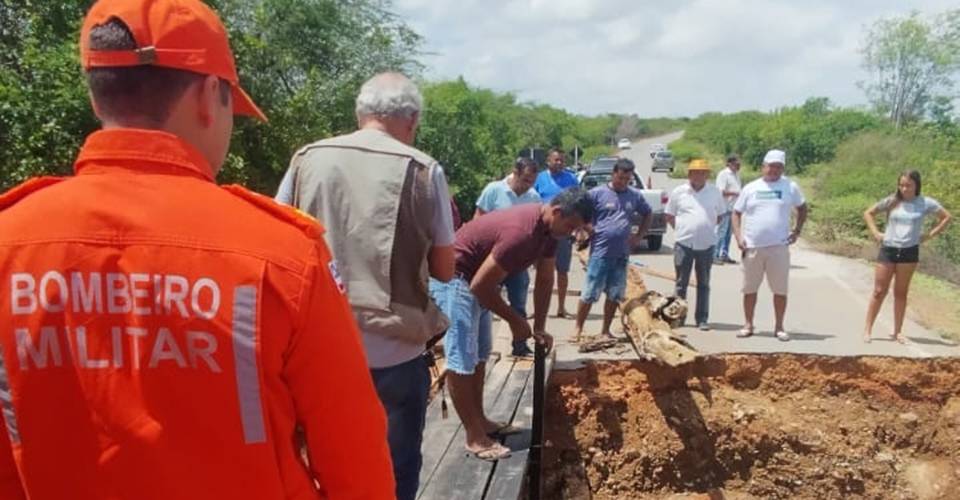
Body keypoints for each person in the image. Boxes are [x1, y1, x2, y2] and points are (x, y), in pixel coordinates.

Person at [0, 1, 394, 499]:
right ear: (210, 96)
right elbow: (356, 462)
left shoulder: (10, 241)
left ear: (99, 100)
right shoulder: (282, 254)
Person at [276, 72, 455, 500]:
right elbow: (445, 269)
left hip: (316, 349)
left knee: (317, 470)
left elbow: (277, 236)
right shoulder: (422, 169)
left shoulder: (307, 159)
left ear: (360, 115)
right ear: (411, 120)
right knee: (394, 471)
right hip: (394, 350)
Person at [430, 190, 593, 461]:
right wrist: (516, 322)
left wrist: (539, 327)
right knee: (460, 357)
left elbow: (544, 278)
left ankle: (481, 420)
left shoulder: (550, 233)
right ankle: (474, 436)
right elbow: (479, 285)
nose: (572, 233)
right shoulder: (522, 233)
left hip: (478, 282)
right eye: (570, 226)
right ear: (557, 213)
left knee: (480, 354)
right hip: (455, 278)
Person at [863, 170, 952, 343]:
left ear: (916, 185)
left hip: (909, 251)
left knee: (901, 292)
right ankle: (867, 329)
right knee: (879, 291)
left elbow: (946, 217)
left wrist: (929, 235)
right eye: (902, 185)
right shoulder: (892, 201)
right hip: (889, 249)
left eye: (908, 185)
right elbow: (869, 213)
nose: (904, 188)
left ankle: (898, 332)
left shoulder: (925, 203)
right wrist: (876, 233)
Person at [732, 149, 808, 341]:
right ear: (763, 166)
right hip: (753, 246)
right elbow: (736, 212)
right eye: (770, 166)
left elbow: (802, 208)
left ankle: (779, 327)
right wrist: (738, 236)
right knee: (749, 288)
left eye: (778, 167)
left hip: (778, 247)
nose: (773, 170)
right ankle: (748, 324)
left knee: (780, 290)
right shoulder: (751, 188)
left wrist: (797, 230)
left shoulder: (790, 186)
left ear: (782, 168)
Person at [574, 158, 651, 342]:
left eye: (627, 179)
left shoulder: (634, 195)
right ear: (613, 174)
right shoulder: (596, 194)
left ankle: (605, 330)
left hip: (621, 255)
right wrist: (587, 228)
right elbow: (579, 212)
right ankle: (578, 328)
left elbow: (648, 213)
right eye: (620, 178)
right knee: (590, 293)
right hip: (600, 254)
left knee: (614, 294)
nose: (623, 182)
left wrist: (639, 236)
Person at [475, 157, 542, 323]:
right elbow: (478, 220)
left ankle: (520, 344)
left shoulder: (534, 197)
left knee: (519, 303)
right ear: (515, 173)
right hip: (492, 258)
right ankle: (480, 345)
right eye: (526, 180)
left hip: (517, 261)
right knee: (483, 301)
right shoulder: (493, 190)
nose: (528, 185)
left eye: (532, 182)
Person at [665, 159, 727, 330]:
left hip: (707, 245)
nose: (699, 176)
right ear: (689, 174)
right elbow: (669, 215)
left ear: (707, 175)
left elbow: (721, 215)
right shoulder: (679, 192)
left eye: (703, 172)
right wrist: (681, 229)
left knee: (704, 284)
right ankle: (678, 317)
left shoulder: (714, 192)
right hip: (684, 243)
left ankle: (702, 319)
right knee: (680, 284)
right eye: (696, 172)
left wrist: (706, 227)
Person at [534, 148, 580, 318]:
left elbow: (578, 204)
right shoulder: (539, 178)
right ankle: (538, 309)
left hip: (563, 232)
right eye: (556, 160)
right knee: (541, 271)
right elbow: (532, 200)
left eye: (562, 160)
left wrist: (578, 229)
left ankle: (561, 307)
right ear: (548, 161)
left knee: (562, 270)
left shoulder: (571, 179)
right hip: (542, 232)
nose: (559, 163)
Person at [715, 154, 743, 264]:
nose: (738, 166)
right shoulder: (724, 174)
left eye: (739, 164)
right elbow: (720, 191)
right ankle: (715, 254)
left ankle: (724, 254)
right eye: (736, 164)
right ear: (730, 163)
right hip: (724, 207)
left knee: (728, 234)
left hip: (733, 208)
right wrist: (735, 193)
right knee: (721, 232)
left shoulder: (736, 175)